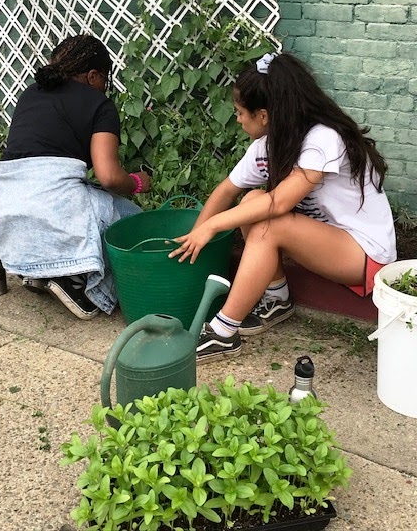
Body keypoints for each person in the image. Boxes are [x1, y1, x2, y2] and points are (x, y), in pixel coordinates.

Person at [169, 51, 396, 363]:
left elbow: (282, 202)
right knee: (252, 201)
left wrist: (214, 225)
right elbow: (226, 190)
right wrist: (193, 238)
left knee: (269, 218)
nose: (236, 119)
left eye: (239, 112)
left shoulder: (322, 139)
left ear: (263, 115)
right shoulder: (268, 145)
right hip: (325, 241)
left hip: (365, 254)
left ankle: (223, 333)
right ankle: (277, 298)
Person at [0, 34, 151, 319]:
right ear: (92, 76)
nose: (103, 86)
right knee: (133, 222)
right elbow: (109, 177)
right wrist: (137, 183)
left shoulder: (30, 94)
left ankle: (41, 271)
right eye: (105, 79)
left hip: (2, 201)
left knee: (83, 201)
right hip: (52, 203)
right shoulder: (100, 104)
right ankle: (78, 284)